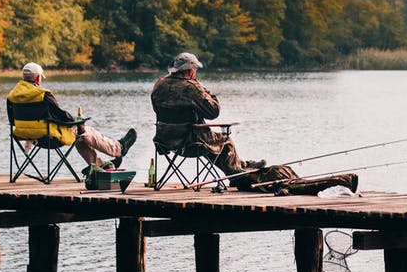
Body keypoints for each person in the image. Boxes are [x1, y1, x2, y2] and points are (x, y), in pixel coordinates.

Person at [151, 52, 358, 195]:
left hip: (165, 141)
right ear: (190, 71)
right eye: (195, 71)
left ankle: (242, 168)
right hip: (190, 141)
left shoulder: (159, 85)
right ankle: (240, 173)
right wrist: (204, 89)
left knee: (215, 143)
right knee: (225, 140)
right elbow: (213, 112)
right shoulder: (191, 87)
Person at [7, 62, 136, 173]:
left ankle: (100, 166)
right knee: (85, 131)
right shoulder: (42, 95)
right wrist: (76, 121)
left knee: (80, 136)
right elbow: (62, 116)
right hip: (49, 137)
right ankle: (119, 148)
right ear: (37, 78)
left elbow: (12, 120)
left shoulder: (12, 96)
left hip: (25, 136)